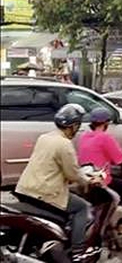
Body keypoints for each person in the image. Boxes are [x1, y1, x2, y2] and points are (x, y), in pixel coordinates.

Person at [15, 104, 98, 261]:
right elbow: (73, 174)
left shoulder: (44, 137)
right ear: (73, 125)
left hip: (25, 189)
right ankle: (78, 251)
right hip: (45, 193)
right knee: (81, 207)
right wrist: (89, 180)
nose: (77, 129)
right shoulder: (64, 143)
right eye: (77, 125)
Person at [77, 108, 122, 208]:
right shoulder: (105, 138)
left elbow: (104, 155)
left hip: (86, 177)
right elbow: (121, 158)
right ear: (106, 123)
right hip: (101, 180)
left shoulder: (84, 136)